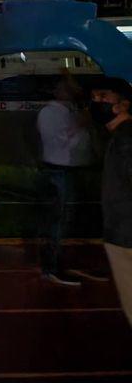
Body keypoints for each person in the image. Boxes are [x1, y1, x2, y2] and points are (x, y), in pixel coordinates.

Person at [36, 78, 95, 285]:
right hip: (59, 170)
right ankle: (52, 267)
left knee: (70, 220)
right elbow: (58, 143)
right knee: (58, 221)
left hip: (71, 169)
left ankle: (64, 263)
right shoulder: (50, 113)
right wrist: (79, 126)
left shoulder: (70, 111)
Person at [99, 80, 132, 325]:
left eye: (103, 96)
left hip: (126, 235)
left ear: (123, 105)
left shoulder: (126, 138)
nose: (97, 102)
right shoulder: (119, 136)